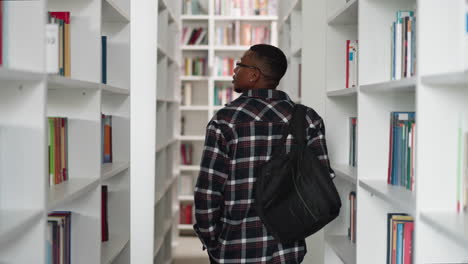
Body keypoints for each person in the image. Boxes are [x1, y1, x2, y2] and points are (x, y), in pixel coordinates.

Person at [193, 44, 335, 264]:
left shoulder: (225, 120)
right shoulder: (308, 118)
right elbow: (321, 181)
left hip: (234, 248)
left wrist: (212, 241)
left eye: (239, 64)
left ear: (253, 75)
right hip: (287, 249)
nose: (234, 70)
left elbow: (208, 190)